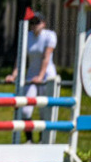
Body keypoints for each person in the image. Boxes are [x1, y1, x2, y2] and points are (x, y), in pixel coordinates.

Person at [5, 11, 57, 143]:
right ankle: (29, 140)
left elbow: (46, 57)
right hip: (31, 75)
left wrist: (40, 77)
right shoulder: (26, 36)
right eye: (32, 22)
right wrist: (14, 74)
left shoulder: (50, 36)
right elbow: (20, 57)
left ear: (43, 24)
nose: (34, 25)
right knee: (25, 111)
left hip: (47, 76)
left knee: (44, 112)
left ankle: (42, 141)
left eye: (37, 22)